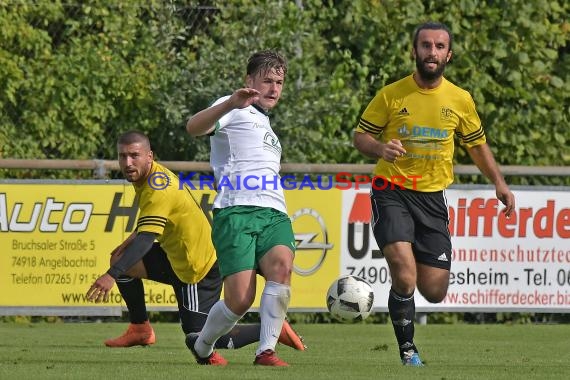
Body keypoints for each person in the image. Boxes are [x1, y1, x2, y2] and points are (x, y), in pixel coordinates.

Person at [353, 22, 515, 366]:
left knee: (435, 291)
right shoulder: (391, 94)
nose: (432, 52)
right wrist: (381, 148)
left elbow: (477, 145)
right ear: (415, 51)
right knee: (405, 272)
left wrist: (499, 183)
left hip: (432, 198)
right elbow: (360, 137)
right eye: (426, 45)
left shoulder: (460, 99)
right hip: (391, 190)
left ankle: (402, 304)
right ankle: (408, 350)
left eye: (439, 46)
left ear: (448, 55)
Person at [86, 130, 304, 363]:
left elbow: (147, 239)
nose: (128, 163)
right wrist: (126, 247)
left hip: (196, 267)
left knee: (203, 338)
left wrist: (111, 276)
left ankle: (271, 328)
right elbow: (158, 222)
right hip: (174, 256)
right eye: (123, 156)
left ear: (150, 156)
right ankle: (140, 329)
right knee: (121, 260)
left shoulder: (157, 187)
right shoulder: (151, 177)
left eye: (134, 155)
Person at [185, 50, 295, 367]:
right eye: (267, 81)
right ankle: (203, 346)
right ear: (250, 81)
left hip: (274, 212)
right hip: (236, 211)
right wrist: (231, 103)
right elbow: (193, 127)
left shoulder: (267, 125)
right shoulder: (233, 107)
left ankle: (266, 352)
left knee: (282, 268)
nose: (274, 88)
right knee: (239, 301)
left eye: (279, 82)